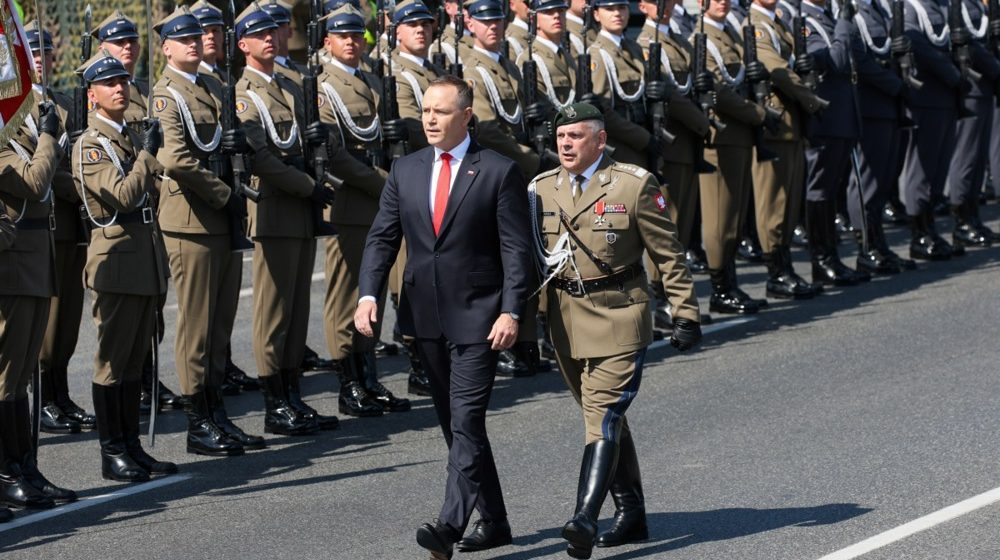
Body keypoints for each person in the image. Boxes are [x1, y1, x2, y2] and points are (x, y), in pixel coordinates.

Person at [355, 75, 533, 558]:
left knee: (467, 421)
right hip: (425, 317)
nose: (430, 120)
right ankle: (495, 521)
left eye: (441, 111)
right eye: (426, 111)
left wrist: (511, 310)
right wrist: (368, 295)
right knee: (455, 427)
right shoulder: (405, 169)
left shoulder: (498, 171)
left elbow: (516, 251)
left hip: (481, 317)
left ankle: (448, 527)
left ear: (466, 116)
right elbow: (382, 238)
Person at [531, 102, 702, 559]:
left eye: (576, 136)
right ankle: (632, 512)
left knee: (602, 416)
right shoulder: (541, 188)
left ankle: (584, 517)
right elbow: (530, 261)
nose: (565, 144)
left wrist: (685, 312)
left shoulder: (633, 184)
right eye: (560, 136)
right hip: (565, 321)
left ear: (601, 140)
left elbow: (668, 254)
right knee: (603, 419)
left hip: (620, 314)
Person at [152, 6, 262, 456]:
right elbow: (175, 158)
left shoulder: (213, 86)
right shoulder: (166, 95)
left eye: (197, 37)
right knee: (197, 326)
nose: (195, 44)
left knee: (220, 324)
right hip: (191, 219)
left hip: (220, 217)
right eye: (185, 39)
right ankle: (197, 421)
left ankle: (217, 412)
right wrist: (224, 195)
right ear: (166, 48)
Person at [72, 51, 178, 483]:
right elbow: (122, 194)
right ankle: (111, 451)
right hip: (116, 261)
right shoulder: (90, 145)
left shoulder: (130, 137)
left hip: (145, 257)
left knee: (137, 360)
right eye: (109, 83)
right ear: (91, 95)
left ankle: (132, 446)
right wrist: (148, 156)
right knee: (113, 361)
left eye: (122, 81)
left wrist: (147, 153)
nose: (119, 88)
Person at [233, 4, 339, 434]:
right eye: (259, 35)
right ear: (242, 44)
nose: (270, 39)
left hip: (300, 210)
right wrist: (308, 186)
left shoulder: (290, 86)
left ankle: (293, 395)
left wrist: (322, 138)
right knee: (274, 312)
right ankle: (275, 403)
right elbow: (261, 157)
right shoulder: (244, 94)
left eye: (272, 33)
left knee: (297, 311)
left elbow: (314, 135)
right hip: (275, 208)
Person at [318, 4, 411, 417]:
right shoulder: (324, 88)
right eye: (343, 36)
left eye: (357, 35)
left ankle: (369, 376)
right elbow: (335, 155)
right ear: (328, 42)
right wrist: (385, 183)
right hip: (350, 203)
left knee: (372, 292)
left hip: (378, 202)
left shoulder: (372, 78)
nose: (352, 42)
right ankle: (348, 382)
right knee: (346, 296)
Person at [94, 10, 187, 412]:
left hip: (154, 216)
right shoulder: (98, 105)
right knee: (120, 333)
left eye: (132, 41)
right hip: (120, 221)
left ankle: (146, 381)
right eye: (119, 42)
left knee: (151, 315)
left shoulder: (146, 91)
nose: (128, 48)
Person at [0, 96, 78, 509]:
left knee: (21, 378)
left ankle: (26, 468)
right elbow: (34, 182)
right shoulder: (3, 144)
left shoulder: (19, 139)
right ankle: (8, 472)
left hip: (34, 262)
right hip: (13, 269)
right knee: (6, 377)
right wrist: (48, 135)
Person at [23, 20, 97, 435]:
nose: (41, 58)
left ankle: (61, 393)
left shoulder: (68, 102)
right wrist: (78, 186)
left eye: (45, 51)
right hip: (43, 223)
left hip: (72, 224)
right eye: (33, 52)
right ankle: (43, 398)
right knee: (47, 322)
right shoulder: (17, 108)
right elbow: (42, 170)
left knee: (68, 318)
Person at [744, 0, 827, 299]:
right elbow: (777, 69)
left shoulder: (778, 22)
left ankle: (785, 265)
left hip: (792, 124)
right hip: (775, 124)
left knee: (790, 203)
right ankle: (775, 272)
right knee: (773, 203)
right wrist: (812, 99)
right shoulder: (755, 26)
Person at [801, 0, 870, 285]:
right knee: (819, 190)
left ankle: (832, 257)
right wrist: (844, 21)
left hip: (842, 117)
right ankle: (821, 260)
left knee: (831, 190)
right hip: (825, 119)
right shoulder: (805, 21)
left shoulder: (826, 16)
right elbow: (837, 60)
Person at [463, 0, 541, 177]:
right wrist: (532, 159)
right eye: (485, 21)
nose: (493, 26)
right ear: (471, 25)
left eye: (497, 20)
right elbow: (487, 132)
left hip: (522, 159)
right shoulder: (473, 72)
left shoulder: (509, 66)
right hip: (501, 168)